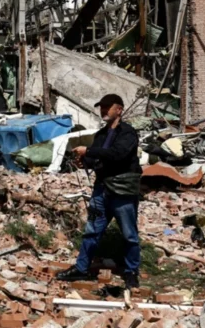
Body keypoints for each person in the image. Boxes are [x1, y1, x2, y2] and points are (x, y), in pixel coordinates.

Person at [55, 94, 142, 289]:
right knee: (92, 231)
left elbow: (118, 154)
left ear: (119, 109)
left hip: (122, 191)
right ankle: (81, 268)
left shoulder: (128, 133)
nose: (103, 110)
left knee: (129, 234)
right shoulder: (101, 134)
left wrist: (88, 152)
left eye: (107, 107)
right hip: (101, 190)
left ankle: (131, 272)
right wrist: (84, 161)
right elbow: (96, 159)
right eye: (101, 107)